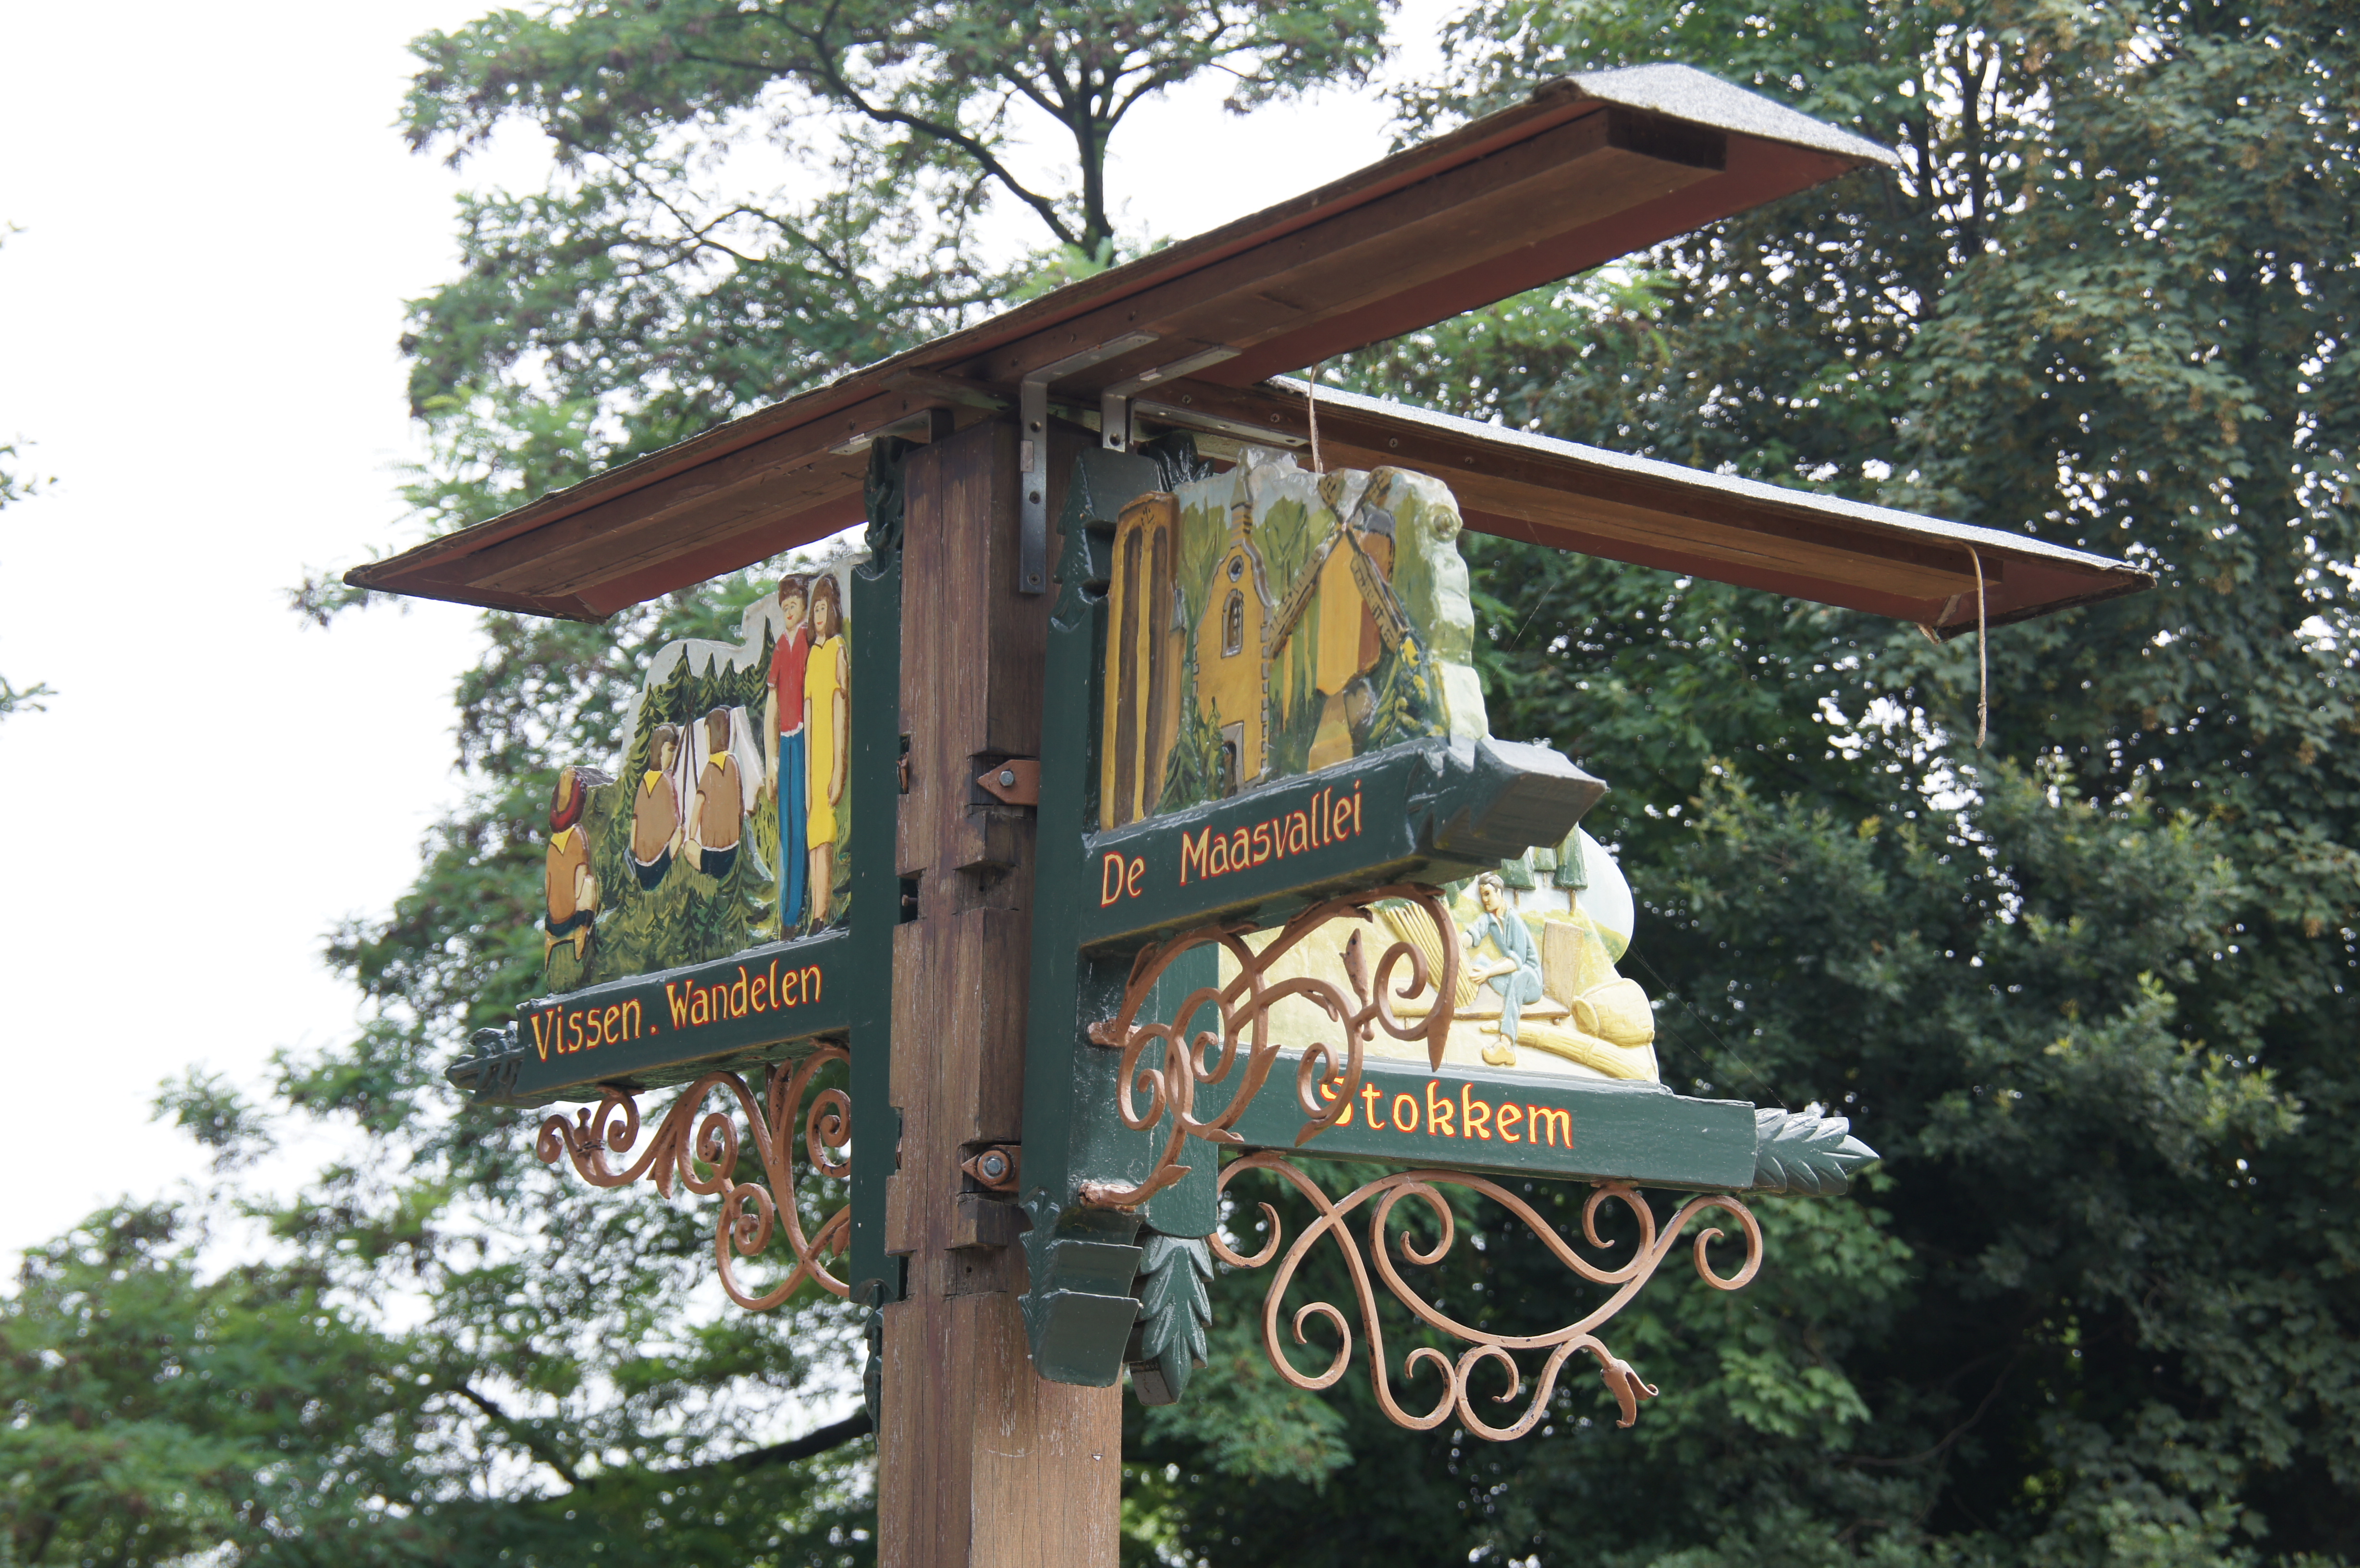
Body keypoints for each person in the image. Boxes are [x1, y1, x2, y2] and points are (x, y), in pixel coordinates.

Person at [802, 573, 849, 924]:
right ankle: (816, 915)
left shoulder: (836, 649)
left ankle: (823, 909)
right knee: (813, 833)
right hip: (813, 757)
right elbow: (807, 712)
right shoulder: (812, 656)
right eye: (815, 609)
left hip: (830, 753)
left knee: (827, 831)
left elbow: (840, 708)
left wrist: (838, 768)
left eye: (824, 608)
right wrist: (807, 775)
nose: (819, 615)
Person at [767, 576, 812, 929]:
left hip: (805, 738)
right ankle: (786, 913)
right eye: (784, 607)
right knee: (786, 825)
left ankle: (798, 905)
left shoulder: (809, 641)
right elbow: (772, 703)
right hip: (785, 740)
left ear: (804, 607)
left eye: (793, 605)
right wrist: (771, 759)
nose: (789, 612)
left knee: (801, 820)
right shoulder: (781, 647)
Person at [1462, 871, 1543, 1067]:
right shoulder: (1489, 919)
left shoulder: (1514, 920)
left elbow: (1517, 962)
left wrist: (1489, 973)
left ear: (1499, 893)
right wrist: (1454, 943)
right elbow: (1472, 935)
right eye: (1482, 895)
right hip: (1511, 981)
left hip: (1530, 984)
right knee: (1480, 962)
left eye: (1488, 894)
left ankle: (1505, 1046)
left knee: (1519, 975)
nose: (1484, 899)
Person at [544, 766, 602, 963]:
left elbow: (579, 873)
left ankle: (579, 933)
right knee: (586, 884)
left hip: (568, 914)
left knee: (587, 884)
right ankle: (569, 935)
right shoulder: (561, 840)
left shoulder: (575, 836)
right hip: (561, 915)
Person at [690, 707, 746, 880]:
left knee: (689, 850)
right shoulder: (733, 764)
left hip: (712, 853)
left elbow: (698, 804)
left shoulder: (711, 768)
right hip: (734, 847)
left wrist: (691, 837)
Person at [628, 723, 685, 889]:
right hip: (647, 856)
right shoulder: (655, 781)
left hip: (661, 852)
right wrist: (634, 845)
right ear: (658, 751)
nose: (672, 757)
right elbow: (636, 816)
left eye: (675, 751)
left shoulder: (666, 780)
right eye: (670, 751)